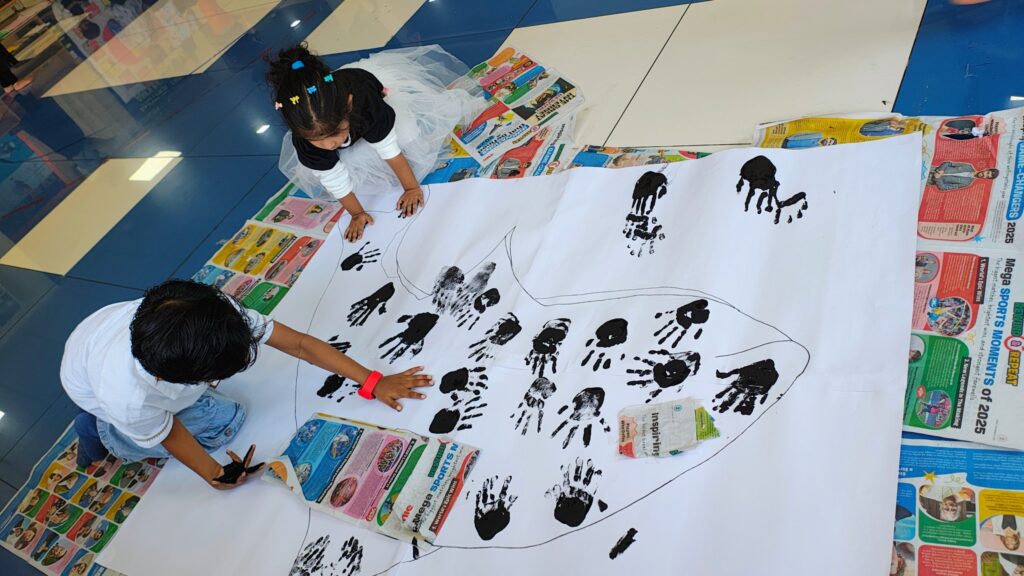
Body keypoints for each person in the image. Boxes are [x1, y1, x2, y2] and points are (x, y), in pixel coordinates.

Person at [62, 280, 433, 491]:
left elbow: (299, 343)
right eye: (212, 377)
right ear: (172, 379)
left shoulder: (215, 312)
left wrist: (373, 380)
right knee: (226, 424)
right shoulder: (129, 397)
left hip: (102, 339)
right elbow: (170, 432)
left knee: (220, 413)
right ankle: (102, 433)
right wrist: (215, 474)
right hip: (95, 389)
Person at [267, 44, 480, 242]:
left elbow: (391, 152)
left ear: (348, 107)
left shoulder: (366, 106)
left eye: (334, 133)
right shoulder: (306, 139)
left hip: (365, 89)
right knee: (333, 164)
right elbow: (334, 180)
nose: (330, 144)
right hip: (334, 108)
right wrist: (357, 214)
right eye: (318, 140)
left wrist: (411, 188)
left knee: (406, 134)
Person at [928, 161, 999, 191]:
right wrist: (941, 170)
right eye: (987, 173)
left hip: (929, 181)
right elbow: (948, 163)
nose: (984, 175)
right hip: (930, 168)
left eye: (987, 176)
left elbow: (943, 188)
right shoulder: (967, 166)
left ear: (986, 178)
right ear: (986, 169)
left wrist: (938, 178)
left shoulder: (966, 183)